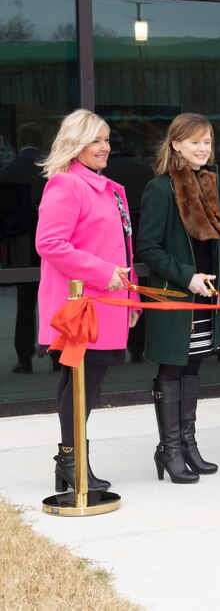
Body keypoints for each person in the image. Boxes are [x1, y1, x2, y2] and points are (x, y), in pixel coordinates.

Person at [35, 109, 141, 493]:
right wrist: (102, 274)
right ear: (76, 144)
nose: (104, 147)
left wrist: (132, 298)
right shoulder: (66, 185)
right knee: (81, 383)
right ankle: (72, 461)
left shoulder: (110, 188)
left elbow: (123, 249)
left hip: (108, 304)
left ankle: (71, 461)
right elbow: (49, 244)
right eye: (95, 140)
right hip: (81, 307)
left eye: (107, 139)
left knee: (85, 384)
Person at [135, 113, 220, 484]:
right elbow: (148, 247)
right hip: (177, 294)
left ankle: (188, 444)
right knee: (173, 367)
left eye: (207, 142)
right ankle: (170, 449)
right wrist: (186, 277)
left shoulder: (213, 182)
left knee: (194, 365)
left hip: (206, 295)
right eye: (195, 142)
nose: (203, 148)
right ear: (176, 144)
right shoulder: (160, 188)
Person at [0, 122, 47, 374]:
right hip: (51, 239)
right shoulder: (51, 166)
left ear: (19, 140)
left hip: (19, 239)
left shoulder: (8, 169)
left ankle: (24, 358)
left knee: (25, 299)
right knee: (55, 297)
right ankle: (59, 356)